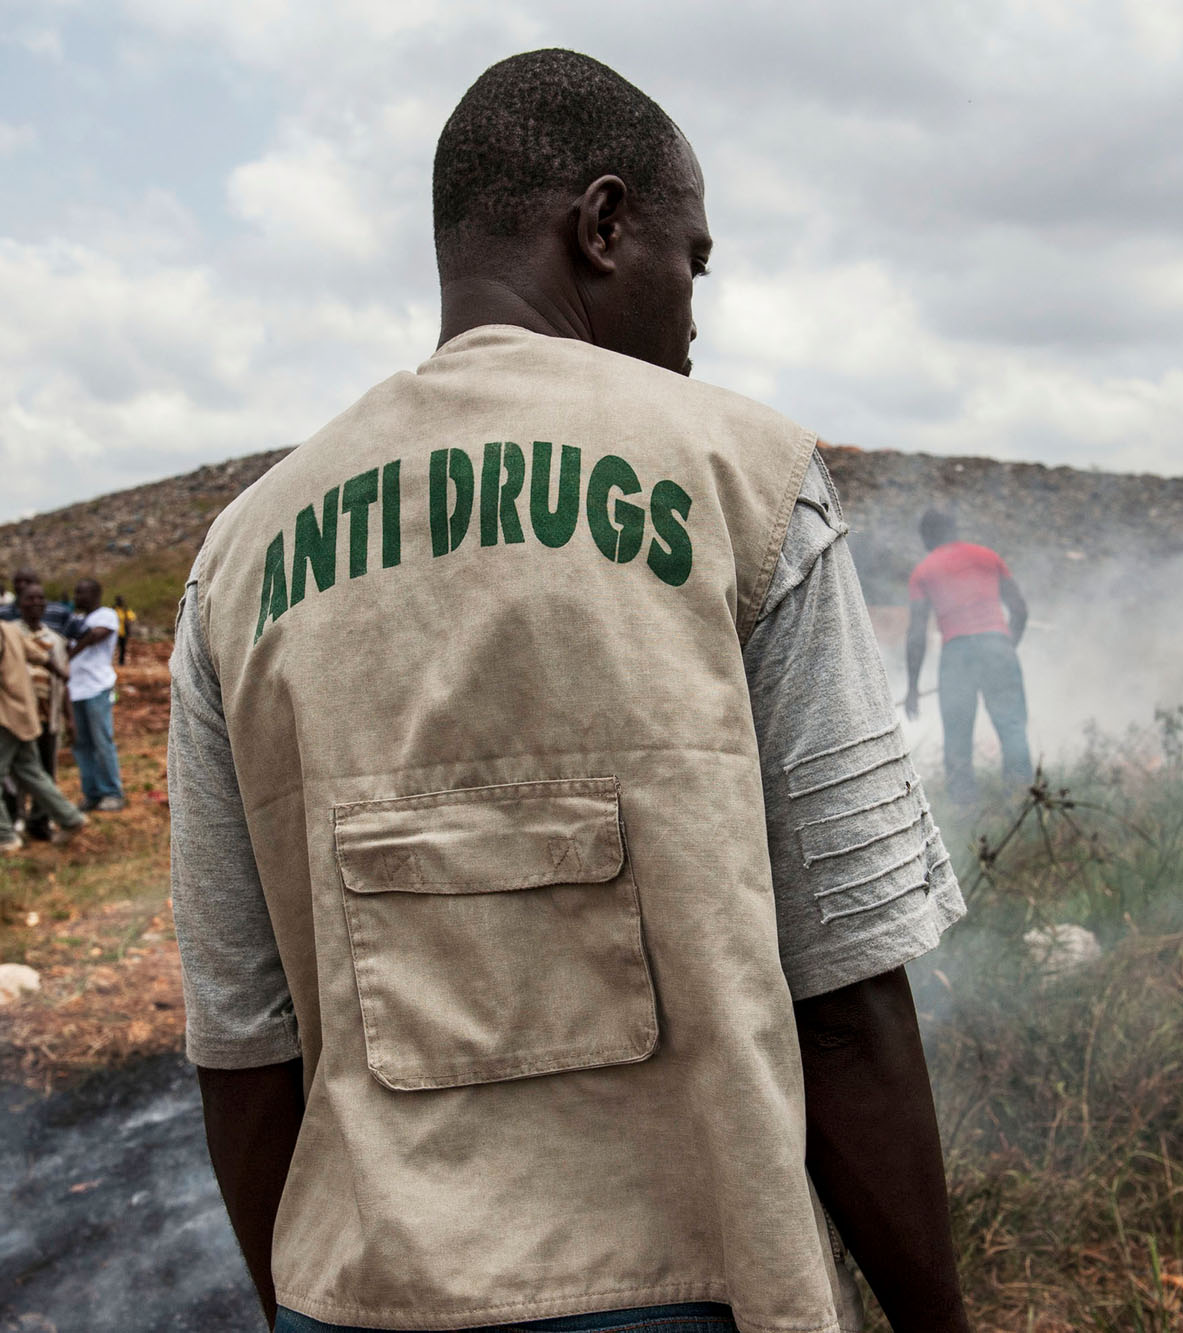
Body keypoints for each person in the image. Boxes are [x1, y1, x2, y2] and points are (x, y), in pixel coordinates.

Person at [169, 50, 969, 1333]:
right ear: (601, 227)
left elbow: (243, 1038)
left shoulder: (242, 554)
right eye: (692, 262)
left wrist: (298, 1304)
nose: (696, 318)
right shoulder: (742, 477)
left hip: (362, 1298)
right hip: (691, 1284)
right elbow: (846, 994)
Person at [903, 509, 1032, 805]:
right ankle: (1022, 801)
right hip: (998, 645)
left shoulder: (923, 571)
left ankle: (964, 808)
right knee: (1012, 725)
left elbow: (917, 635)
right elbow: (1020, 609)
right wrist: (1007, 645)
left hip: (956, 655)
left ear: (927, 537)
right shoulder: (988, 557)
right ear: (954, 529)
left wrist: (913, 687)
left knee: (957, 736)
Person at [0, 589, 87, 855]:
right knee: (30, 773)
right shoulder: (9, 630)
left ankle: (2, 835)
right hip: (26, 714)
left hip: (2, 718)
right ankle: (70, 818)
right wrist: (61, 673)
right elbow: (40, 655)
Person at [6, 580, 70, 840]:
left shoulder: (56, 641)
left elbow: (63, 683)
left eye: (41, 599)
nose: (36, 604)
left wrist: (70, 718)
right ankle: (15, 819)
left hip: (47, 717)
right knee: (17, 770)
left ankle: (40, 822)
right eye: (30, 599)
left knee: (46, 771)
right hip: (18, 717)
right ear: (19, 604)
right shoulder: (10, 635)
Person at [65, 578, 124, 812]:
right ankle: (91, 793)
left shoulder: (106, 615)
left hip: (96, 689)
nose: (76, 596)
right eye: (76, 591)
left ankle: (112, 792)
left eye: (81, 592)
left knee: (102, 742)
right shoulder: (78, 620)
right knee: (81, 745)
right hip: (74, 690)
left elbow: (94, 637)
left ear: (96, 594)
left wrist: (67, 655)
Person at [113, 595, 136, 665]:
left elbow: (132, 618)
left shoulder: (126, 610)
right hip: (114, 632)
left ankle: (121, 662)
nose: (121, 602)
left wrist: (128, 623)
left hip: (123, 632)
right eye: (120, 601)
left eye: (122, 601)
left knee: (122, 648)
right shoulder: (113, 609)